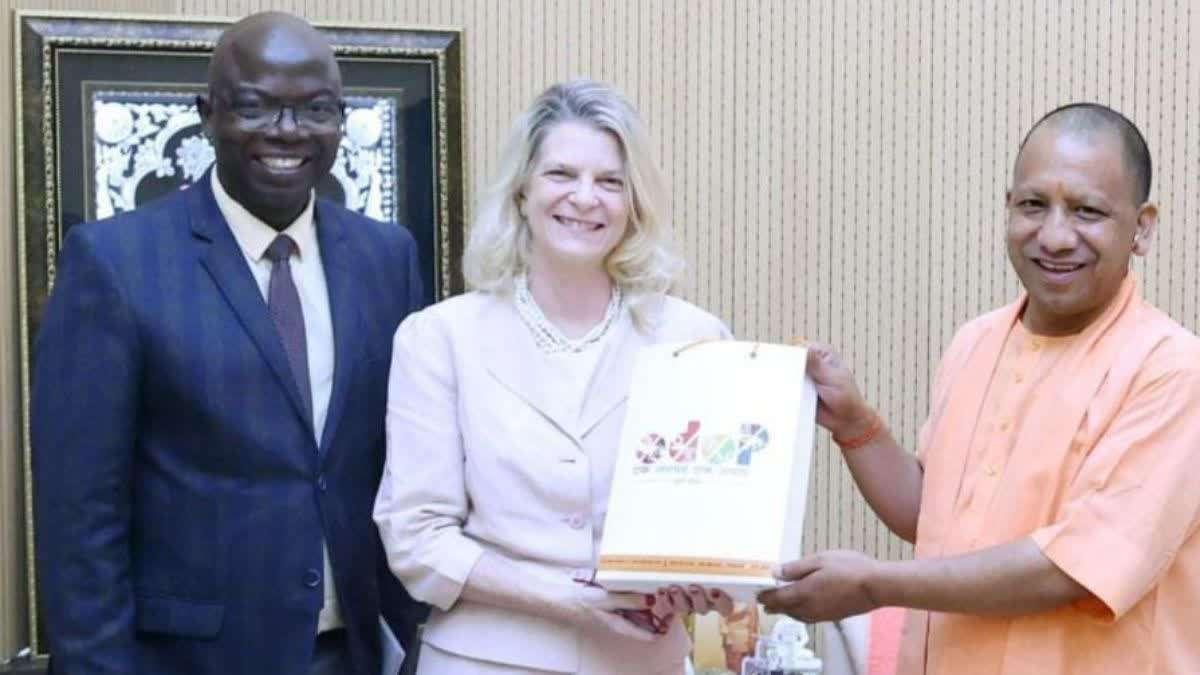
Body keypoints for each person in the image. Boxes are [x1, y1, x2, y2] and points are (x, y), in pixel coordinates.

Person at [33, 12, 424, 675]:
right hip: (187, 659)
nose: (287, 131)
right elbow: (80, 518)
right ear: (207, 114)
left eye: (316, 109)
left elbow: (403, 462)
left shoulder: (387, 258)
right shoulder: (115, 262)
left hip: (354, 650)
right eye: (255, 106)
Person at [759, 102, 1200, 674]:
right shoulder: (975, 342)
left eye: (1087, 211)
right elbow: (932, 519)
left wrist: (874, 584)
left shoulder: (1172, 370)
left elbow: (1071, 568)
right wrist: (853, 423)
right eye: (1033, 205)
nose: (1055, 236)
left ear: (1142, 227)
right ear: (1008, 207)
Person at [373, 79, 733, 675]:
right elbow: (416, 538)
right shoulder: (439, 338)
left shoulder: (694, 338)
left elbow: (721, 518)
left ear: (634, 202)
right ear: (522, 191)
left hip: (643, 661)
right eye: (561, 174)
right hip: (481, 660)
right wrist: (568, 600)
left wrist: (708, 576)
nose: (585, 198)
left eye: (610, 182)